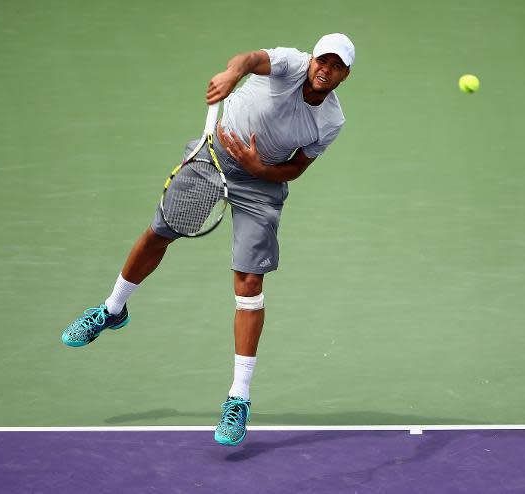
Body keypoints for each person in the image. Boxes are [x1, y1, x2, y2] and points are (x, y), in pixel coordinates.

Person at [60, 33, 354, 446]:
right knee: (160, 233)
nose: (325, 69)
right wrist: (232, 74)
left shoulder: (331, 121)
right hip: (213, 155)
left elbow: (296, 169)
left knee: (250, 286)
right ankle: (111, 310)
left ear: (345, 74)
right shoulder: (290, 62)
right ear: (312, 59)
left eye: (336, 65)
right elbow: (250, 58)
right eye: (322, 60)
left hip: (261, 185)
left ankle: (238, 399)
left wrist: (261, 168)